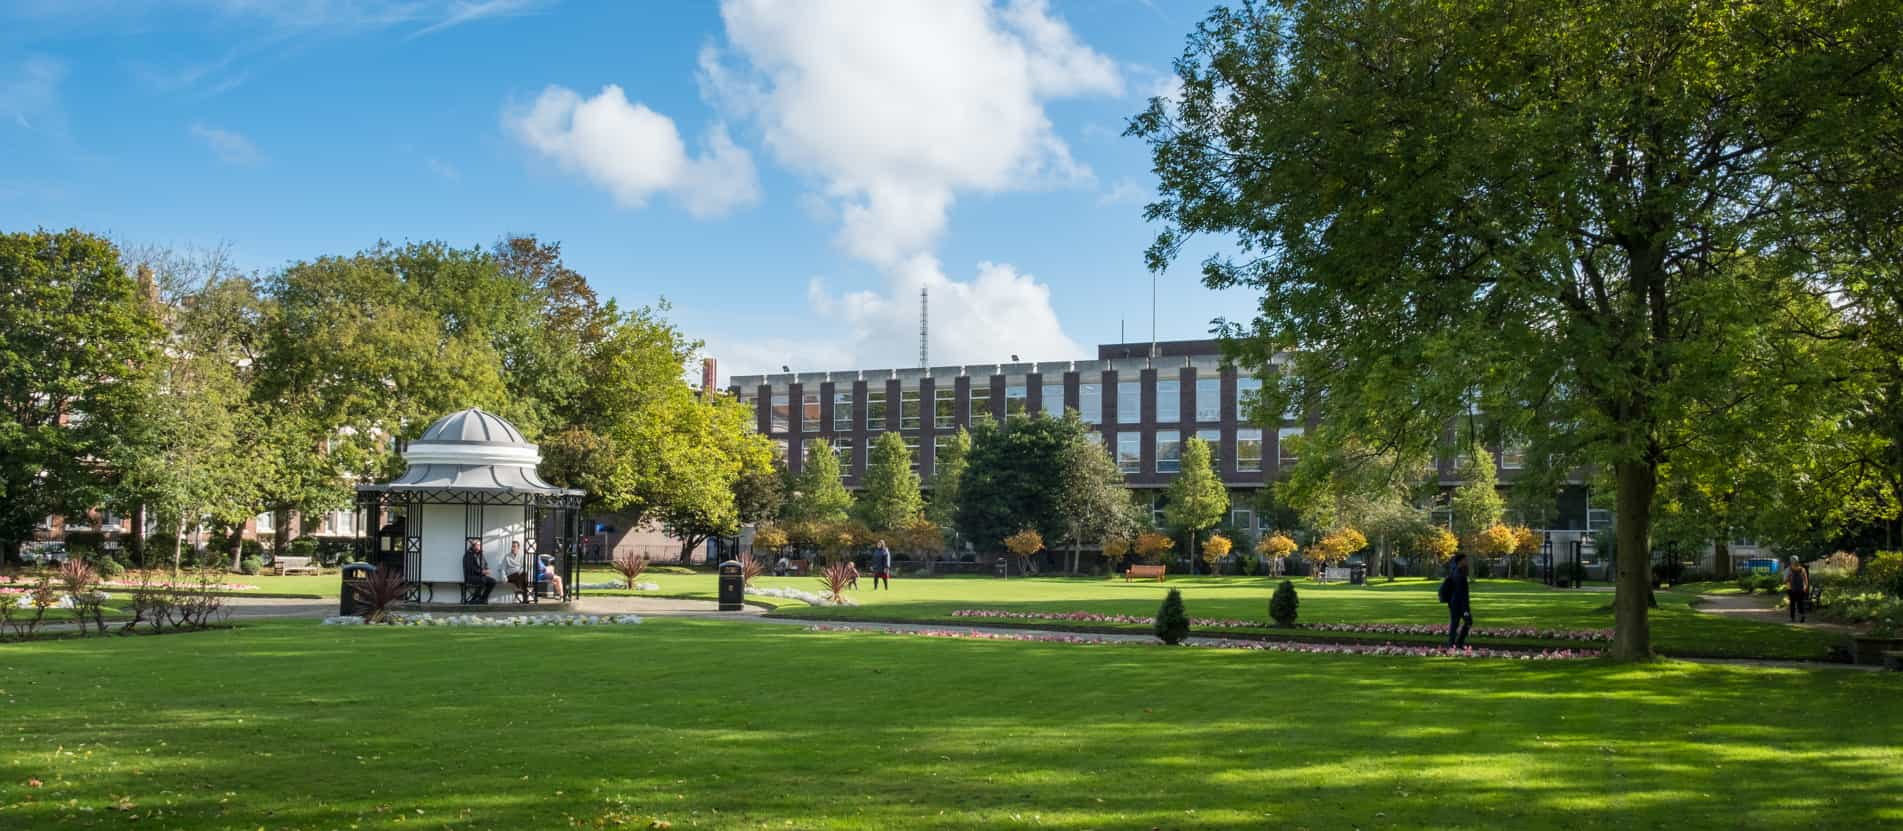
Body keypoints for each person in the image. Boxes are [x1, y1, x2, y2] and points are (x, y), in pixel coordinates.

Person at [1439, 552, 1473, 647]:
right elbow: (1462, 594)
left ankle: (1452, 644)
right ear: (1460, 561)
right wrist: (1465, 610)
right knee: (1467, 622)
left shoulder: (1455, 571)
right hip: (1458, 604)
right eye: (1465, 560)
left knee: (1455, 623)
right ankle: (1457, 643)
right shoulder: (1460, 575)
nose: (1467, 562)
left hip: (1453, 602)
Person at [462, 540, 496, 604]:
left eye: (479, 545)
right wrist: (482, 572)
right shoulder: (468, 555)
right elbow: (471, 568)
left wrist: (487, 569)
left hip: (480, 575)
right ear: (473, 546)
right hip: (471, 576)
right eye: (478, 545)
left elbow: (485, 563)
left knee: (493, 581)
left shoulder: (480, 554)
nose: (479, 547)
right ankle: (474, 599)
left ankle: (483, 599)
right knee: (482, 580)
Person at [1784, 556, 1810, 623]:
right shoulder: (1802, 569)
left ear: (1791, 561)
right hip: (1801, 589)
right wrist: (1805, 588)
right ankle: (1802, 616)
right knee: (1800, 604)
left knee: (1792, 604)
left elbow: (1785, 581)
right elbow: (1806, 581)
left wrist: (1789, 577)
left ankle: (1792, 618)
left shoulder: (1788, 569)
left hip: (1791, 589)